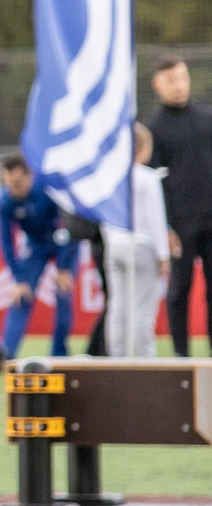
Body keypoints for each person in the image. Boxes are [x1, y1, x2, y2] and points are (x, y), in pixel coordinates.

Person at [146, 55, 212, 355]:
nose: (179, 85)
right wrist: (166, 227)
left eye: (183, 77)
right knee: (179, 289)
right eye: (171, 80)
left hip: (210, 218)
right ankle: (181, 357)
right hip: (180, 224)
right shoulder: (154, 130)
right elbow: (154, 184)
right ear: (157, 85)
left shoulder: (205, 119)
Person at [0, 150, 77, 364]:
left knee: (63, 294)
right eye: (9, 184)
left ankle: (59, 354)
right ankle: (7, 352)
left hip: (63, 243)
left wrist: (65, 268)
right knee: (21, 295)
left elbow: (71, 226)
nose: (14, 189)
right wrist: (19, 278)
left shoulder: (48, 189)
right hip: (36, 246)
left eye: (19, 184)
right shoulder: (5, 200)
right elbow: (6, 241)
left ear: (30, 176)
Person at [102, 124, 171, 358]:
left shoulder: (109, 177)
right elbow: (155, 218)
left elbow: (104, 217)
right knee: (142, 311)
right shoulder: (147, 177)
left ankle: (117, 359)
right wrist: (163, 255)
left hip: (115, 245)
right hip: (142, 246)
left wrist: (112, 243)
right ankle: (145, 363)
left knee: (117, 307)